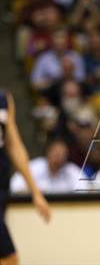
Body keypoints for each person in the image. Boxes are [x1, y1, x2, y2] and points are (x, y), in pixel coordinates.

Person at [0, 89, 50, 265]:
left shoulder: (4, 98)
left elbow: (15, 146)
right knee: (9, 256)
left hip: (1, 182)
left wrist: (35, 192)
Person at [10, 138, 85, 194]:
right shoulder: (35, 166)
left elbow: (86, 190)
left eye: (63, 154)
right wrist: (36, 192)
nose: (59, 158)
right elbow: (15, 187)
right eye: (56, 154)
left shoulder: (71, 170)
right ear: (48, 151)